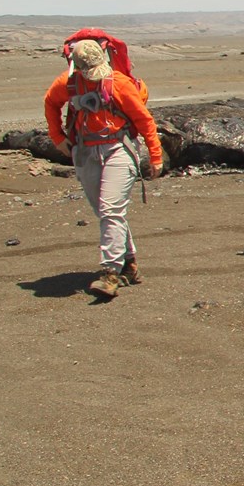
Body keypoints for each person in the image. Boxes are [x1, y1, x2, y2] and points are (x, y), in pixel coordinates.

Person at [44, 38, 164, 299]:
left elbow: (144, 120)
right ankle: (129, 264)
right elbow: (50, 103)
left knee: (110, 209)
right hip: (85, 151)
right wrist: (57, 137)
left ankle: (110, 273)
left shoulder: (118, 82)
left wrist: (156, 156)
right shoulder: (69, 83)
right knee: (108, 211)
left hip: (118, 149)